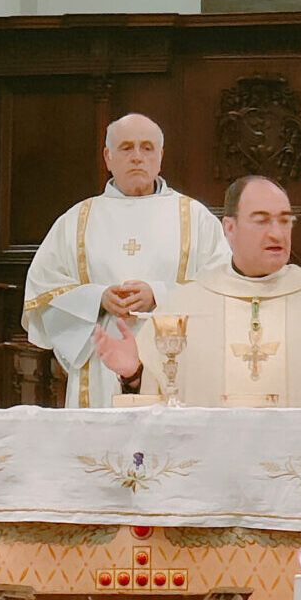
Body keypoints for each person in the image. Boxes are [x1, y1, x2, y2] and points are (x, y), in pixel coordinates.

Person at [23, 114, 229, 408]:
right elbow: (42, 288)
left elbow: (223, 286)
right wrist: (98, 298)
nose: (137, 157)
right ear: (108, 157)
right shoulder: (77, 220)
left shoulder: (197, 219)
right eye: (126, 147)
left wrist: (158, 294)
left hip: (175, 357)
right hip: (101, 362)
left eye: (147, 148)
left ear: (161, 157)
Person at [94, 175, 301, 407]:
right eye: (262, 220)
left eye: (285, 220)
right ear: (229, 228)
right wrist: (134, 375)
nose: (277, 233)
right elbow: (155, 404)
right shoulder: (183, 307)